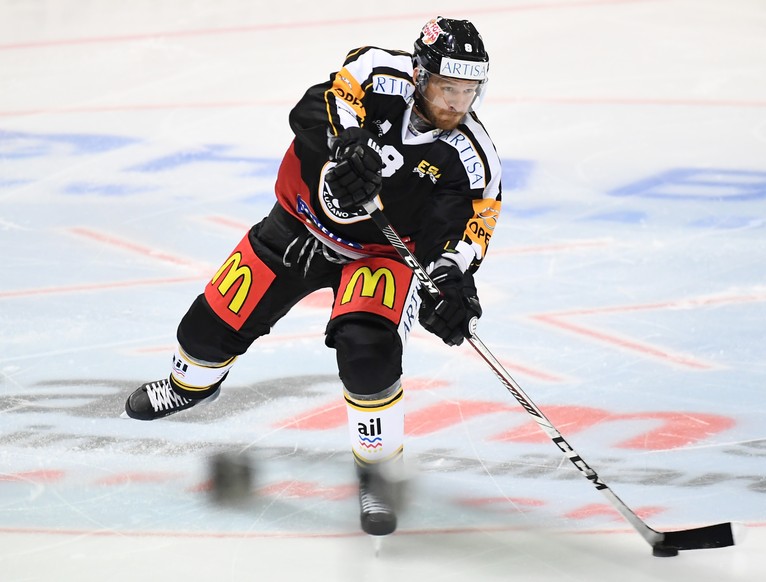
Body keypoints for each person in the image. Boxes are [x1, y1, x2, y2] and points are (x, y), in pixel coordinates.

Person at [124, 16, 502, 537]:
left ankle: (378, 474)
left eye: (468, 90)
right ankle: (190, 385)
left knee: (369, 355)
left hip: (379, 257)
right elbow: (314, 106)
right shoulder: (377, 73)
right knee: (204, 333)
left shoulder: (472, 155)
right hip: (297, 225)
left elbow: (464, 228)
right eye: (447, 87)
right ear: (420, 73)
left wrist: (451, 280)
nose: (457, 103)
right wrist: (345, 143)